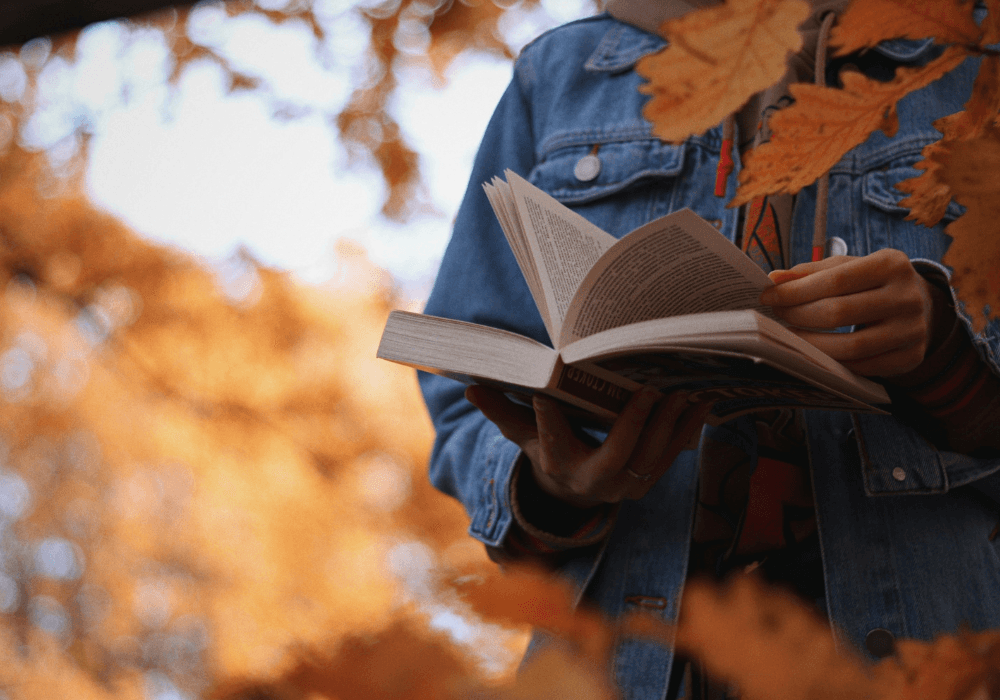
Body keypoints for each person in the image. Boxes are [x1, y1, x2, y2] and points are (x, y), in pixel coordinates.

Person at [418, 2, 1000, 698]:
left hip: (924, 656)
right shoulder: (565, 72)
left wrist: (946, 365)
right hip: (617, 666)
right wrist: (551, 487)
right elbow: (468, 386)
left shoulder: (974, 60)